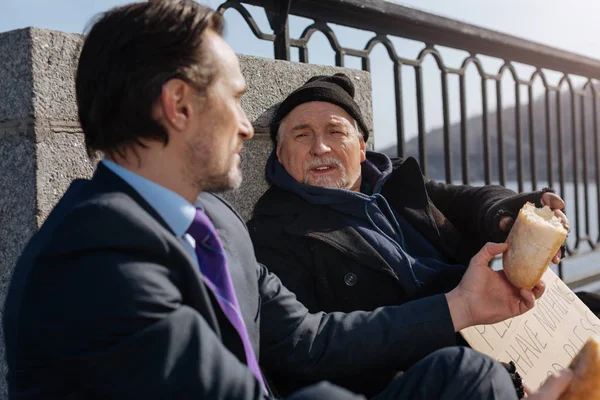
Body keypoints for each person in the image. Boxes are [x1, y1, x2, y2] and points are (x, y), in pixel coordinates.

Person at [2, 1, 569, 399]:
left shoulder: (216, 224)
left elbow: (308, 340)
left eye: (337, 132)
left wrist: (465, 305)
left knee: (468, 378)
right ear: (178, 106)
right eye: (236, 99)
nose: (249, 127)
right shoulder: (94, 262)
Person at [247, 73, 569, 396]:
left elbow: (468, 201)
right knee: (479, 377)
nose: (320, 147)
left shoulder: (395, 183)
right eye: (302, 135)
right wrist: (456, 312)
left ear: (360, 147)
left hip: (497, 331)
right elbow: (313, 346)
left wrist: (507, 216)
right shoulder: (273, 232)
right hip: (422, 374)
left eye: (335, 131)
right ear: (279, 153)